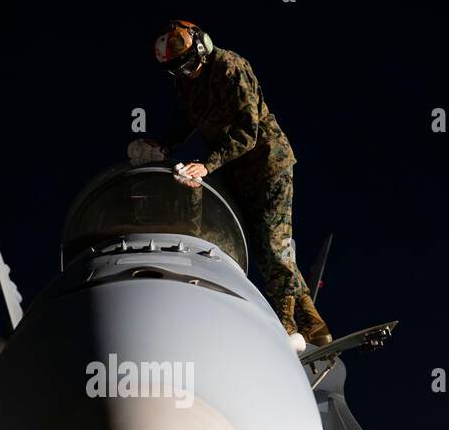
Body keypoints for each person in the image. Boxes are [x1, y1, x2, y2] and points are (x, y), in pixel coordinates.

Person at [128, 20, 331, 346]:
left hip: (268, 166)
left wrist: (206, 166)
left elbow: (247, 133)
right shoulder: (186, 80)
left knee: (275, 248)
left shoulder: (231, 68)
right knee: (261, 248)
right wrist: (165, 146)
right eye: (179, 71)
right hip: (235, 171)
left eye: (191, 65)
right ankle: (315, 325)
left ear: (201, 47)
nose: (188, 74)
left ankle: (285, 331)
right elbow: (186, 119)